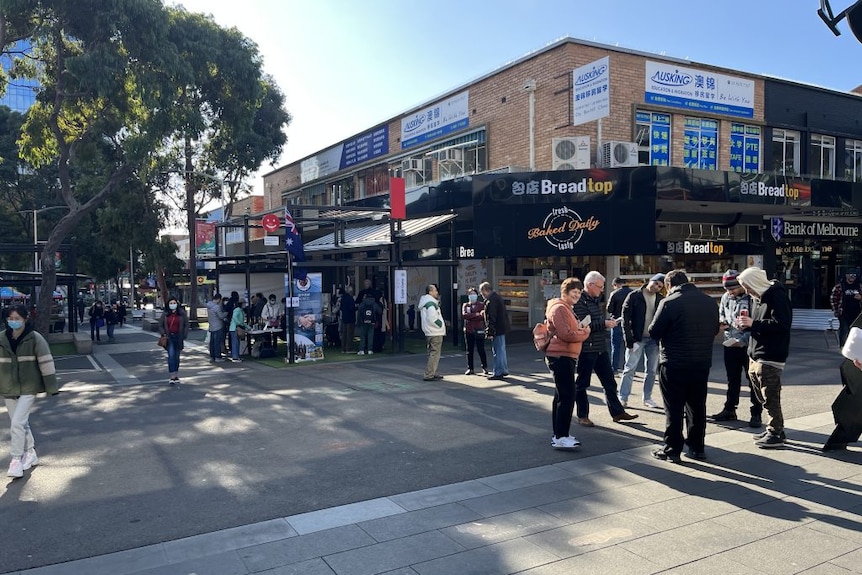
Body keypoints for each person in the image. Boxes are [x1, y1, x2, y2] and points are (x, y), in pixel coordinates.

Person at [648, 270, 719, 462]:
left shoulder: (669, 302)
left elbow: (654, 331)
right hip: (701, 362)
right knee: (697, 406)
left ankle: (673, 449)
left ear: (669, 285)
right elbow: (714, 329)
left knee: (674, 408)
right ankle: (697, 448)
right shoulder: (709, 301)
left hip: (674, 362)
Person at [737, 266, 793, 449]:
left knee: (770, 395)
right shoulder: (758, 298)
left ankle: (776, 432)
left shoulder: (777, 296)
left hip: (770, 354)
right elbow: (762, 324)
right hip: (756, 352)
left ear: (756, 283)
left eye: (748, 286)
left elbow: (782, 324)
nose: (747, 291)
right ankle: (774, 428)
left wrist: (754, 323)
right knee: (763, 395)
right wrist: (748, 326)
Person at [573, 271, 638, 426]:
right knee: (582, 383)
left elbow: (595, 320)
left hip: (599, 347)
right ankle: (582, 415)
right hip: (587, 348)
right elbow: (582, 325)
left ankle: (617, 412)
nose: (602, 290)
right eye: (600, 287)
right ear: (589, 285)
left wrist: (605, 322)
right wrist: (604, 324)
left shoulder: (594, 299)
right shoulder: (580, 301)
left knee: (609, 382)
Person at [1, 304, 59, 479]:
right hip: (8, 387)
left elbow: (46, 362)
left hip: (28, 387)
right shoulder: (2, 338)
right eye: (10, 319)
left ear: (25, 319)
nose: (13, 322)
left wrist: (51, 387)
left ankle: (16, 459)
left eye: (17, 318)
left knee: (17, 423)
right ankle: (31, 451)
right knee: (20, 422)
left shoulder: (35, 338)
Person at [711, 270, 762, 427]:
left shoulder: (752, 298)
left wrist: (743, 340)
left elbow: (756, 322)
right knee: (732, 379)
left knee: (752, 380)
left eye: (732, 289)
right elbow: (721, 313)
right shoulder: (726, 297)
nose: (729, 292)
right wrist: (722, 322)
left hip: (747, 345)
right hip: (730, 342)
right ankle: (730, 409)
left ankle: (756, 413)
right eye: (726, 289)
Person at [545, 279, 591, 450]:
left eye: (579, 292)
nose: (577, 295)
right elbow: (567, 335)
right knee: (567, 396)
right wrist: (584, 332)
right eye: (574, 291)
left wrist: (578, 329)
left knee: (561, 396)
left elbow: (569, 332)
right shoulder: (560, 308)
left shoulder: (565, 308)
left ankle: (559, 433)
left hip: (563, 356)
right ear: (565, 291)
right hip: (561, 356)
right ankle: (561, 436)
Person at [618, 273, 665, 409]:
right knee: (629, 368)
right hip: (636, 338)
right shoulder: (634, 296)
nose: (656, 287)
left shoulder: (660, 299)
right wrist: (629, 339)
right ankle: (623, 397)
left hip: (653, 339)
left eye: (660, 286)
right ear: (650, 280)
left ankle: (647, 397)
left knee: (651, 370)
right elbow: (625, 318)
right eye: (656, 283)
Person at [480, 281, 510, 380]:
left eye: (482, 292)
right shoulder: (497, 297)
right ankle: (504, 369)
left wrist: (490, 331)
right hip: (502, 327)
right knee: (501, 349)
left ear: (485, 290)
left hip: (497, 328)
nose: (482, 295)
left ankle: (498, 372)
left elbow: (491, 317)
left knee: (497, 351)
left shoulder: (491, 301)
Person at [158, 297, 189, 384]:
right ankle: (172, 376)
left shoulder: (182, 313)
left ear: (177, 304)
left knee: (177, 356)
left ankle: (176, 373)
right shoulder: (165, 314)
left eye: (174, 303)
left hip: (178, 337)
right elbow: (160, 325)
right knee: (171, 355)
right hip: (169, 337)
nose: (172, 305)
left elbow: (186, 325)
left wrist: (184, 335)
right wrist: (163, 333)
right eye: (171, 303)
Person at [420, 283, 446, 381]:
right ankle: (429, 374)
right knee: (434, 353)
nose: (437, 292)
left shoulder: (425, 302)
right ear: (430, 292)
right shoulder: (431, 303)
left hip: (429, 331)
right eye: (435, 290)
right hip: (435, 331)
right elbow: (432, 318)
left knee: (432, 353)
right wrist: (440, 325)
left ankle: (432, 372)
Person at [606, 277, 632, 373]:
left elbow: (609, 309)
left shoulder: (615, 294)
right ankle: (628, 367)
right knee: (629, 347)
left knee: (615, 346)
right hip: (629, 323)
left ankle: (615, 367)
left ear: (615, 284)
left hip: (616, 321)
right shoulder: (633, 293)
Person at [831, 267, 862, 346]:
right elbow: (833, 299)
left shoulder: (859, 286)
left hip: (857, 313)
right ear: (846, 276)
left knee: (855, 331)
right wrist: (836, 311)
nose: (852, 277)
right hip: (844, 312)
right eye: (851, 275)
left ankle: (854, 347)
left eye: (854, 275)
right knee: (844, 330)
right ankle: (843, 346)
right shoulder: (840, 286)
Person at [462, 287, 489, 375]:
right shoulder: (466, 305)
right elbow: (465, 315)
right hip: (469, 329)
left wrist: (473, 315)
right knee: (469, 350)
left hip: (479, 329)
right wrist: (476, 314)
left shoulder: (481, 305)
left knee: (481, 349)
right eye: (470, 294)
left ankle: (484, 367)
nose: (472, 296)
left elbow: (482, 316)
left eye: (473, 294)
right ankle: (470, 368)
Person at [206, 292, 227, 362]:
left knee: (212, 342)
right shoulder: (217, 307)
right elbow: (221, 316)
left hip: (211, 326)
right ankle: (218, 356)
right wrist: (226, 313)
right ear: (219, 299)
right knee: (217, 342)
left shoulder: (209, 305)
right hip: (218, 326)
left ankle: (212, 356)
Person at [229, 298, 250, 363]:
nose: (245, 305)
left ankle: (236, 356)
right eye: (244, 303)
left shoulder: (240, 310)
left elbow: (242, 322)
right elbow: (235, 317)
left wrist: (248, 327)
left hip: (235, 328)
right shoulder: (238, 310)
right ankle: (235, 357)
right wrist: (240, 324)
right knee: (235, 343)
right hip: (234, 328)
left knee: (237, 343)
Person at [336, 286, 356, 353]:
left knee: (344, 333)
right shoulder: (350, 298)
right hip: (350, 318)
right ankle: (348, 348)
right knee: (349, 333)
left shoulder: (343, 298)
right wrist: (356, 307)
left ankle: (343, 348)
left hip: (344, 318)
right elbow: (352, 308)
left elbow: (341, 308)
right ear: (350, 291)